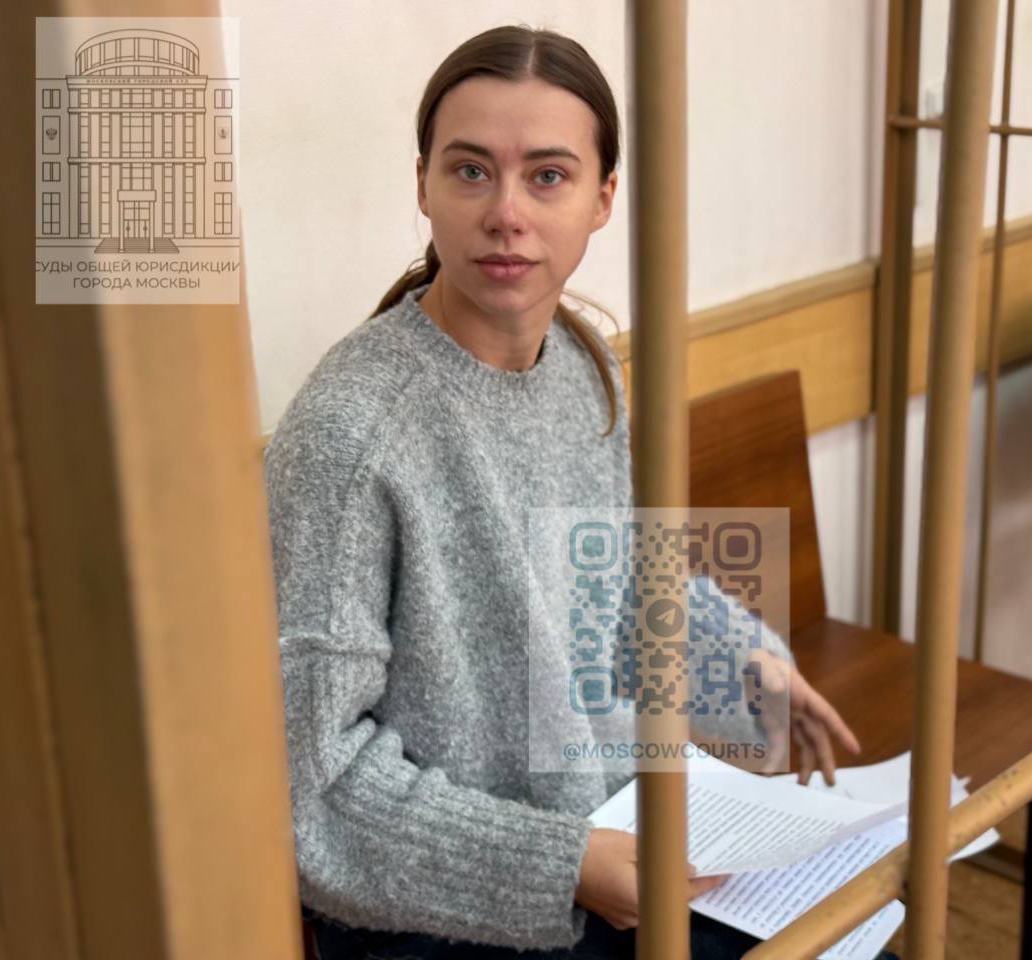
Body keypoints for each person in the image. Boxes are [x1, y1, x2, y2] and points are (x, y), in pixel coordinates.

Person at [266, 24, 874, 960]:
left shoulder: (586, 369)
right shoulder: (349, 432)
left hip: (602, 830)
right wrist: (562, 866)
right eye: (471, 171)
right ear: (423, 185)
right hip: (436, 915)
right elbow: (312, 786)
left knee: (865, 933)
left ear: (603, 198)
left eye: (547, 175)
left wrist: (744, 667)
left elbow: (617, 588)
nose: (506, 212)